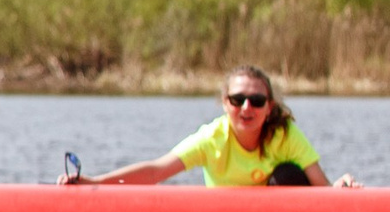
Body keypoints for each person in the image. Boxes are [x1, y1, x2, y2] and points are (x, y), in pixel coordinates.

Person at [61, 65, 359, 189]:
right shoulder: (212, 138)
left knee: (287, 175)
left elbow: (323, 191)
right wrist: (94, 183)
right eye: (238, 99)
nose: (246, 108)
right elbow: (156, 170)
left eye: (256, 100)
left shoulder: (284, 135)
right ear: (225, 103)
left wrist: (342, 190)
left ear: (269, 108)